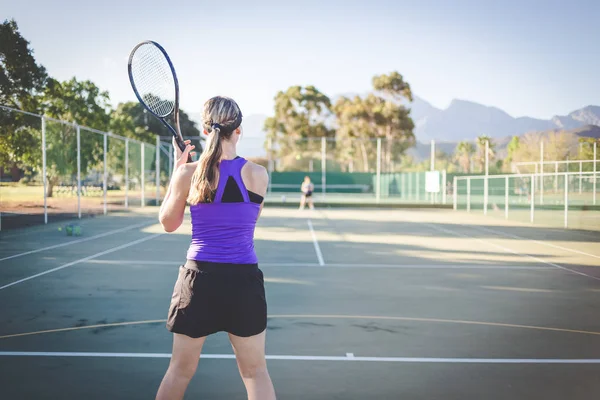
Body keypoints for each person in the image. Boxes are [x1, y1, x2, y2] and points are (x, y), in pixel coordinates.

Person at [156, 96, 275, 400]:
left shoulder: (188, 174)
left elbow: (168, 223)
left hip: (199, 281)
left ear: (207, 130)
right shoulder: (259, 175)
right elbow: (249, 223)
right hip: (243, 282)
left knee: (179, 372)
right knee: (255, 373)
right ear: (239, 130)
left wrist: (178, 171)